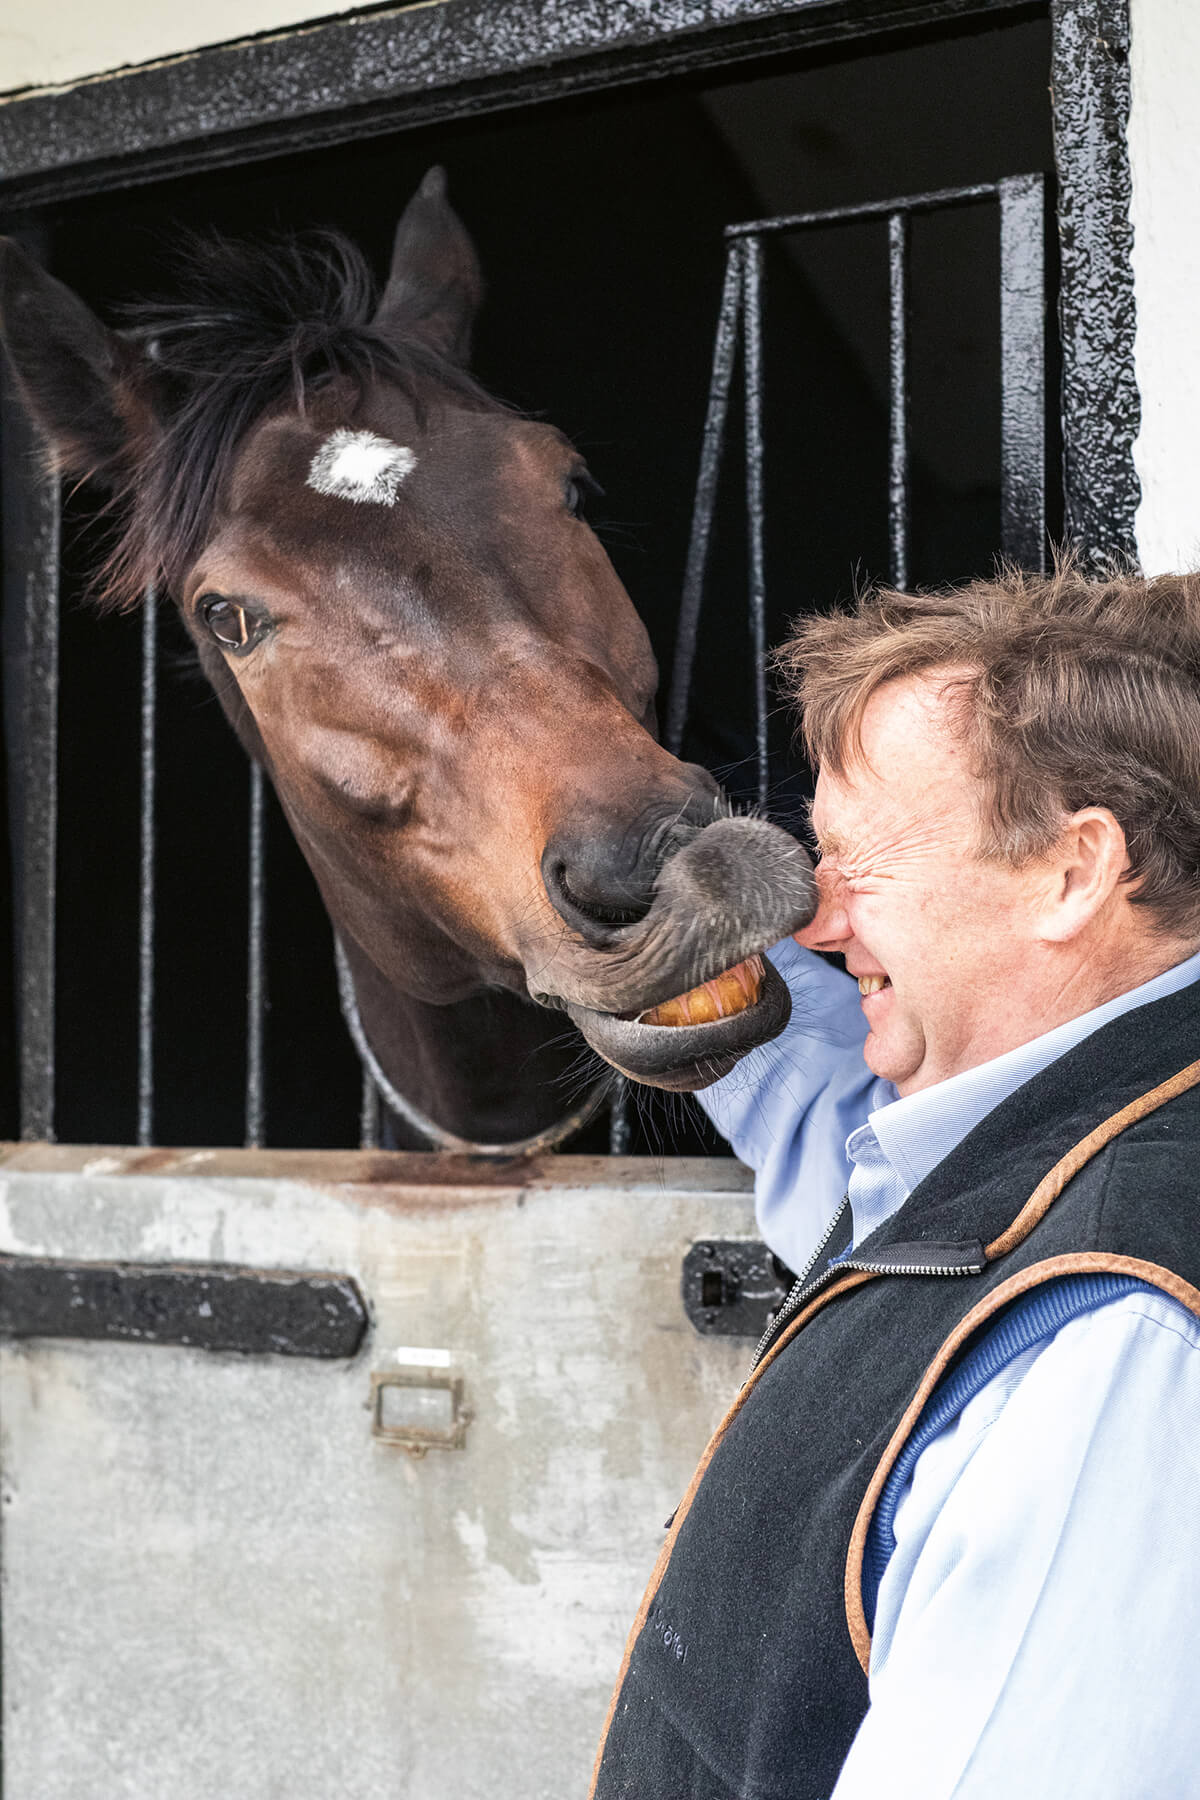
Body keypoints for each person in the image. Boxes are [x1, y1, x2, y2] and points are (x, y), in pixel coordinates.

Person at [590, 564, 1200, 1800]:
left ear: (1075, 873)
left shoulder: (1113, 1338)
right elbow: (846, 1136)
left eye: (854, 864)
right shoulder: (1031, 1136)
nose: (817, 922)